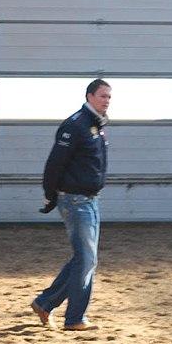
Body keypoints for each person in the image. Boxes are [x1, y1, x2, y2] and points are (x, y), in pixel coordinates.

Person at [30, 78, 111, 330]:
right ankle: (75, 318)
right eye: (102, 96)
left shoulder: (96, 125)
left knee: (84, 259)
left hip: (89, 199)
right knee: (85, 259)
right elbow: (55, 163)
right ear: (89, 96)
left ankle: (45, 303)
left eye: (109, 97)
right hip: (75, 200)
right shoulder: (75, 125)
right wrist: (50, 194)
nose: (106, 101)